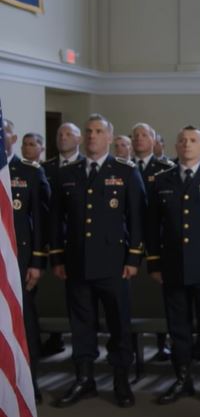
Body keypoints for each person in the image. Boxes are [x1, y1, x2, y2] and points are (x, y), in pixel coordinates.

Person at [49, 114, 145, 408]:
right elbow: (56, 220)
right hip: (77, 263)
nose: (92, 136)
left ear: (109, 137)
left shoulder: (125, 171)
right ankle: (84, 379)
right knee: (81, 325)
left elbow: (137, 218)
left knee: (119, 324)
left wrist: (133, 257)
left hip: (114, 264)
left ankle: (120, 381)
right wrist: (57, 257)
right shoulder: (67, 173)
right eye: (89, 131)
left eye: (99, 131)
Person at [146, 126, 200, 405]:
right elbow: (152, 226)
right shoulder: (162, 179)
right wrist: (154, 262)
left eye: (193, 140)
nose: (187, 144)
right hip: (172, 264)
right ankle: (182, 378)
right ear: (176, 145)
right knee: (178, 325)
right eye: (182, 140)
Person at [4, 120, 49, 403]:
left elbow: (42, 221)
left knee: (25, 322)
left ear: (13, 137)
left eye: (3, 132)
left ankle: (28, 383)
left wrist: (37, 262)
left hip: (19, 261)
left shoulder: (30, 172)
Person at [131, 121, 174, 361]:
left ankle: (162, 341)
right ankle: (129, 342)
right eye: (135, 135)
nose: (139, 139)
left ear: (154, 140)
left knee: (161, 293)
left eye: (144, 135)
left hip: (158, 237)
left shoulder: (165, 169)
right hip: (130, 236)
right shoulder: (123, 168)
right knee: (131, 292)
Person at [41, 122, 85, 357]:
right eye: (60, 134)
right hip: (55, 238)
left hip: (81, 241)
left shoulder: (86, 167)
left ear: (78, 140)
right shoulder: (45, 168)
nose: (63, 137)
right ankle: (56, 338)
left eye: (69, 134)